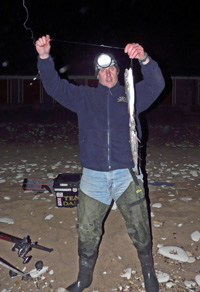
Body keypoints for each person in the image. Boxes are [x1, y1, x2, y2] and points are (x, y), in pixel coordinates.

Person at [35, 35, 165, 292]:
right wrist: (44, 58)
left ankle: (148, 271)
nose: (108, 73)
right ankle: (85, 277)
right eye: (102, 70)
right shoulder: (83, 97)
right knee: (87, 232)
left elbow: (157, 85)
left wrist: (145, 59)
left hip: (127, 175)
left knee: (140, 228)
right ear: (96, 76)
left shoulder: (132, 95)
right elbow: (53, 86)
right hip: (93, 178)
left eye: (112, 68)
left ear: (119, 72)